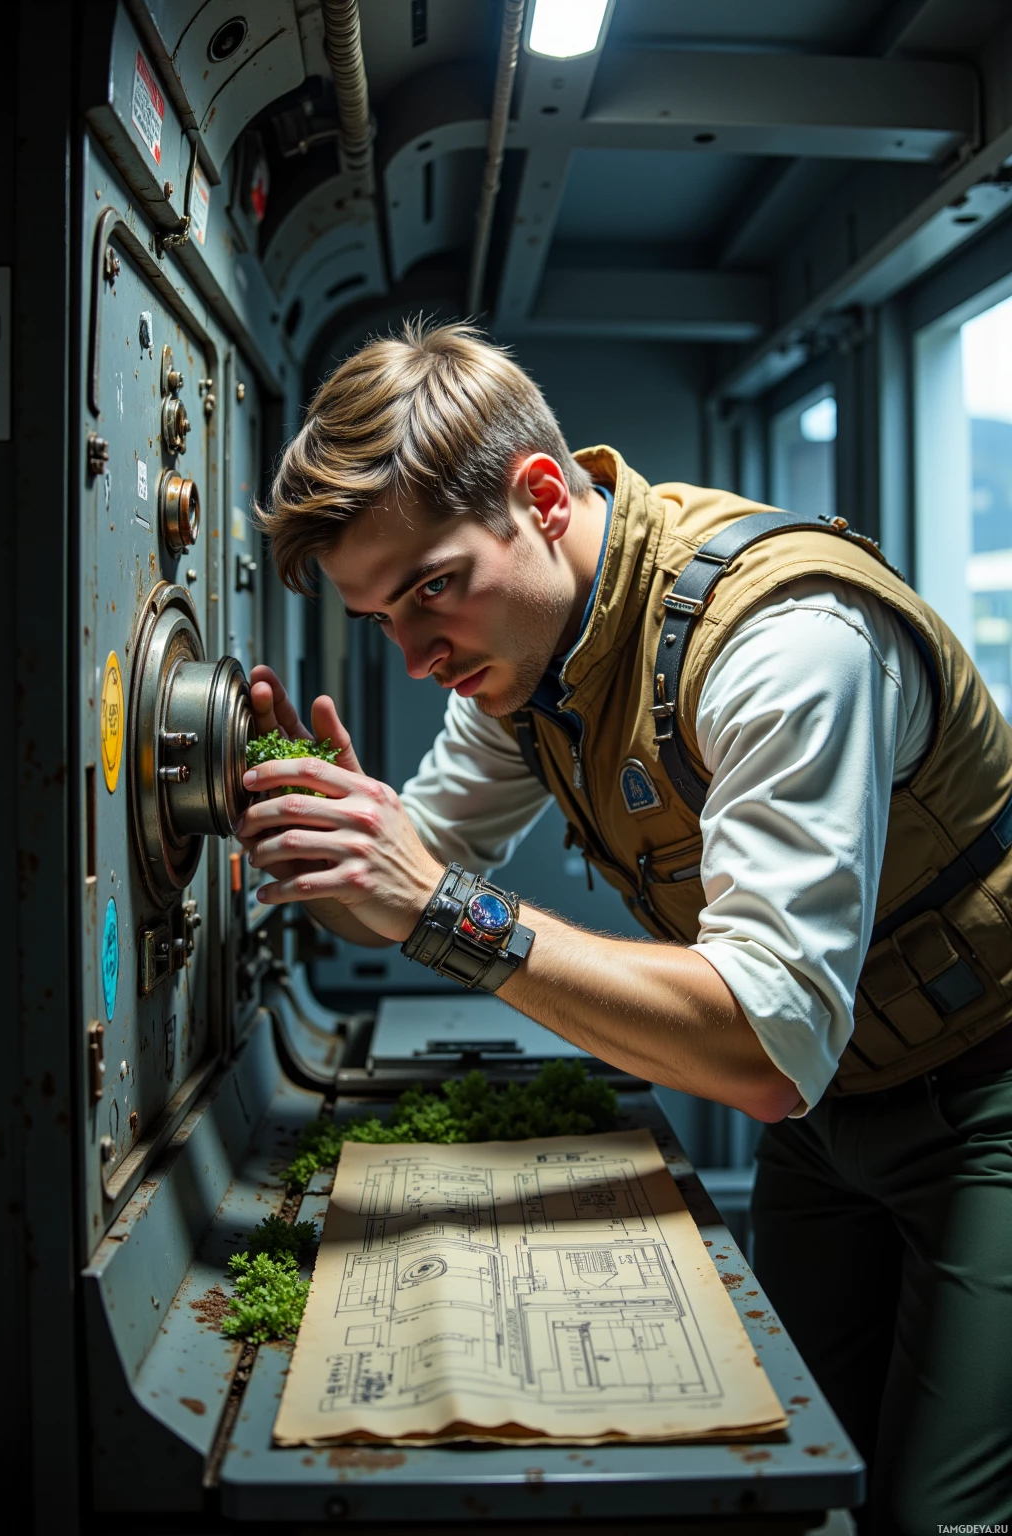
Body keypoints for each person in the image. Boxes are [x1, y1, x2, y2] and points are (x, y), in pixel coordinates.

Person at [237, 319, 1012, 1535]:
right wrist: (320, 825)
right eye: (383, 616)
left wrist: (440, 906)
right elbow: (411, 868)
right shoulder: (525, 658)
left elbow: (758, 1052)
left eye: (432, 586)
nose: (419, 652)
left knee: (933, 1515)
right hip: (833, 1113)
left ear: (541, 497)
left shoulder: (782, 643)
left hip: (988, 1097)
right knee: (784, 1484)